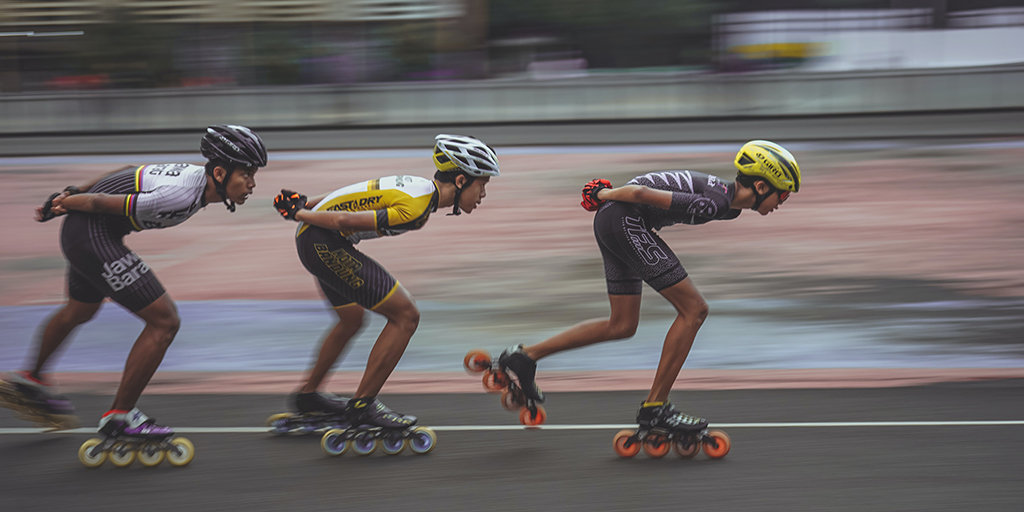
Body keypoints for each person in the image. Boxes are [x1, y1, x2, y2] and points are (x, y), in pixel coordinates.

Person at [493, 140, 800, 433]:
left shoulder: (726, 202)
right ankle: (656, 407)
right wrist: (603, 194)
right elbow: (640, 193)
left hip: (615, 221)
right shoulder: (715, 202)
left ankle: (525, 356)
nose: (781, 203)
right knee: (694, 310)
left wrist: (606, 199)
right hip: (625, 218)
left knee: (622, 324)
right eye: (783, 195)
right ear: (761, 186)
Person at [0, 125, 266, 441]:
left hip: (88, 233)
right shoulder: (180, 195)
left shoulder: (195, 178)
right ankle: (120, 418)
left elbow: (128, 170)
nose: (252, 183)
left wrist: (71, 193)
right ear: (220, 173)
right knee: (164, 322)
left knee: (80, 310)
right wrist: (65, 202)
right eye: (246, 174)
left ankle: (31, 378)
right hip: (91, 234)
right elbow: (99, 204)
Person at [270, 134, 498, 431]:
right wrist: (299, 211)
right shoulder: (416, 209)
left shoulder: (416, 186)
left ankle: (309, 397)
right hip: (323, 241)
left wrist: (304, 204)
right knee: (406, 315)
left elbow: (352, 194)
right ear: (460, 181)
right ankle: (362, 407)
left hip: (315, 239)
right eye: (481, 185)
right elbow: (345, 222)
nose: (482, 194)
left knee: (351, 319)